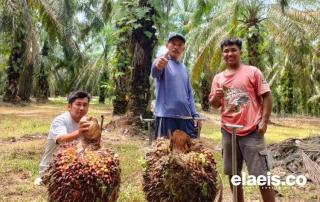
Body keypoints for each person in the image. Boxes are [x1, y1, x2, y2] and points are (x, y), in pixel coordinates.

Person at [209, 39, 275, 202]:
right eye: (226, 51)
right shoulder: (218, 78)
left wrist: (264, 121)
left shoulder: (253, 72)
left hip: (252, 130)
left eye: (233, 50)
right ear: (222, 54)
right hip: (228, 131)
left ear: (240, 52)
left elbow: (266, 95)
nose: (229, 53)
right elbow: (214, 104)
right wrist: (216, 97)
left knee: (262, 175)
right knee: (233, 174)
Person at [34, 91, 91, 185]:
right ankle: (42, 179)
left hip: (74, 167)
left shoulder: (87, 122)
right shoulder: (60, 120)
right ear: (69, 106)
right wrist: (79, 132)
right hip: (53, 169)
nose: (82, 108)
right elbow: (61, 140)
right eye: (78, 104)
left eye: (85, 105)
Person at [151, 32, 201, 139]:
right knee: (165, 152)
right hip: (167, 117)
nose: (176, 47)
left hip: (186, 118)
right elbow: (155, 71)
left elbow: (189, 94)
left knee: (187, 152)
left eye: (179, 45)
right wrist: (158, 65)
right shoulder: (162, 61)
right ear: (167, 46)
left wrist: (195, 114)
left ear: (183, 49)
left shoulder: (184, 68)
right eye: (173, 43)